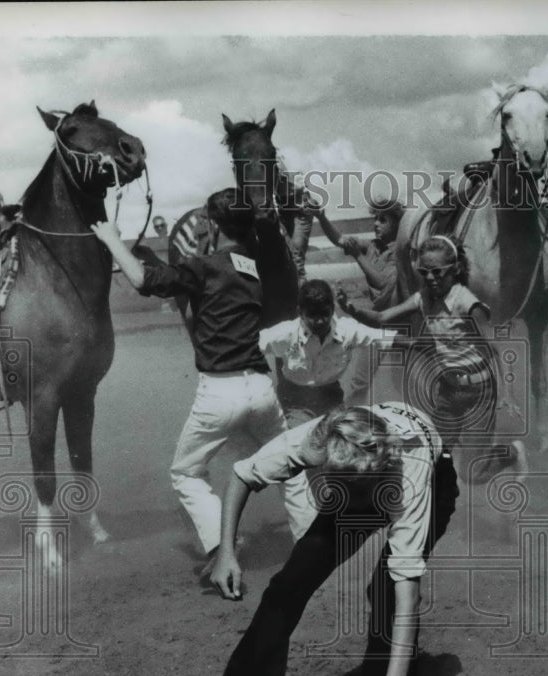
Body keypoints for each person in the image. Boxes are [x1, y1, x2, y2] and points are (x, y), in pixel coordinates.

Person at [184, 403, 458, 676]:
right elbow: (242, 477)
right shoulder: (319, 439)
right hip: (357, 476)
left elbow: (407, 597)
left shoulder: (411, 476)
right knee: (291, 579)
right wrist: (226, 554)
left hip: (428, 479)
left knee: (385, 590)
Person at [91, 188, 295, 584]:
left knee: (186, 473)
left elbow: (140, 279)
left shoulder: (204, 265)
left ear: (215, 226)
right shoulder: (252, 265)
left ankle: (222, 551)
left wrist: (111, 239)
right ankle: (312, 537)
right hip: (262, 388)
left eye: (206, 222)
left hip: (220, 393)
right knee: (293, 467)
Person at [338, 234, 524, 463]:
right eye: (424, 272)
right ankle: (445, 496)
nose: (431, 278)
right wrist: (352, 310)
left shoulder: (467, 304)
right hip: (448, 392)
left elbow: (499, 349)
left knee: (472, 472)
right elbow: (381, 317)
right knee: (435, 456)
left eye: (438, 272)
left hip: (479, 392)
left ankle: (514, 453)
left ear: (455, 269)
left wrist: (509, 393)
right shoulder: (422, 298)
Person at [259, 278, 398, 539]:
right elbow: (252, 345)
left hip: (330, 398)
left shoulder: (346, 329)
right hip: (295, 401)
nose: (320, 322)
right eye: (312, 316)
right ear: (300, 313)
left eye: (325, 314)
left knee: (344, 456)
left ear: (332, 310)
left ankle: (352, 512)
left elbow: (384, 338)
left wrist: (428, 345)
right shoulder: (285, 333)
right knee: (309, 457)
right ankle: (313, 528)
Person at [310, 197, 403, 310]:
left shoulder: (400, 251)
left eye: (382, 220)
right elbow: (340, 240)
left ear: (397, 224)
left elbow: (382, 283)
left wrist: (358, 255)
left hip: (396, 313)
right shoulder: (372, 245)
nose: (376, 224)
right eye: (375, 219)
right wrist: (321, 217)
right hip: (378, 311)